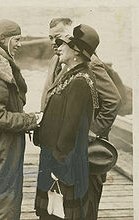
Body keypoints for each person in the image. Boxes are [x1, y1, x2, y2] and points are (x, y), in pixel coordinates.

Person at [37, 18, 122, 219]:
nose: (54, 43)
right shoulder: (56, 59)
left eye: (58, 38)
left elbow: (113, 100)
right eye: (50, 38)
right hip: (60, 148)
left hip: (85, 149)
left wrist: (93, 131)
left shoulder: (90, 64)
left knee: (85, 205)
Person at [0, 19, 41, 220]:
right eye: (16, 39)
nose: (20, 44)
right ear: (3, 40)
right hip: (0, 148)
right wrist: (31, 120)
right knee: (2, 206)